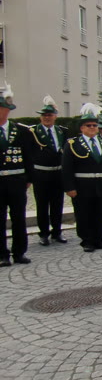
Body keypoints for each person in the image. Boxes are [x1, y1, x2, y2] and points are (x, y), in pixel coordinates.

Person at [62, 104, 102, 252]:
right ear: (82, 128)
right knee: (84, 213)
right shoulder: (73, 144)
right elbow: (67, 168)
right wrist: (69, 187)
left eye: (95, 125)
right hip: (83, 184)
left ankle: (98, 239)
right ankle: (87, 240)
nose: (93, 128)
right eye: (89, 125)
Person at [0, 84, 33, 266]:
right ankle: (2, 254)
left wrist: (29, 178)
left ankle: (19, 252)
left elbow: (28, 156)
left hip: (17, 180)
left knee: (18, 217)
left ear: (7, 110)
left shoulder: (21, 131)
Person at [28, 96, 68, 246]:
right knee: (42, 205)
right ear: (40, 117)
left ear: (55, 116)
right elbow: (29, 154)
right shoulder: (33, 132)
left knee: (58, 204)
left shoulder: (61, 131)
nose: (47, 118)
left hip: (57, 173)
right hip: (41, 173)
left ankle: (57, 231)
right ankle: (44, 233)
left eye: (49, 115)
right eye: (44, 115)